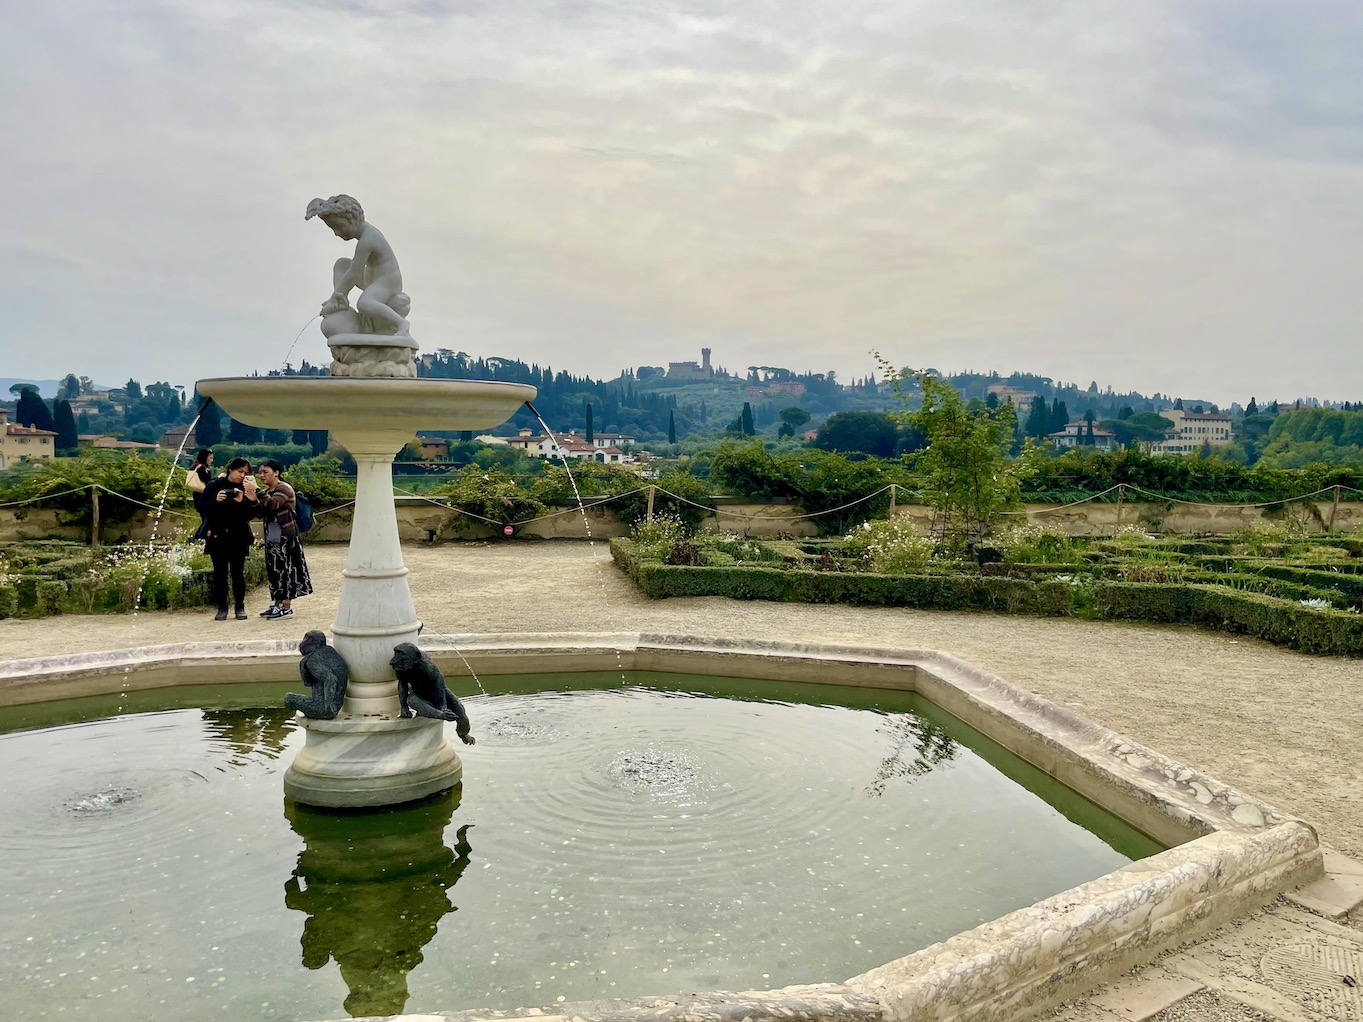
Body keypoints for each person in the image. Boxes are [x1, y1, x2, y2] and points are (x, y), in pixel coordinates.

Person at [305, 194, 410, 335]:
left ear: (351, 219)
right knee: (341, 264)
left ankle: (401, 323)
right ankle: (341, 302)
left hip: (387, 282)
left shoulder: (367, 240)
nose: (337, 233)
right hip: (372, 277)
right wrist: (320, 205)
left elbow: (354, 274)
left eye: (339, 227)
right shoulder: (364, 235)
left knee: (364, 304)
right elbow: (351, 271)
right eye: (333, 229)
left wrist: (336, 294)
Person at [198, 458, 259, 620]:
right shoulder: (214, 485)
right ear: (230, 469)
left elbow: (251, 514)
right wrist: (215, 500)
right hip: (218, 536)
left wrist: (242, 501)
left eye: (246, 473)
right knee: (220, 573)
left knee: (238, 573)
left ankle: (240, 606)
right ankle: (222, 607)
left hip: (238, 536)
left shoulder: (245, 488)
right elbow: (202, 507)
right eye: (240, 471)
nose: (242, 476)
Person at [255, 459, 314, 620]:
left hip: (286, 538)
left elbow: (273, 505)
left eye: (265, 472)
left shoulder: (283, 488)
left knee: (287, 569)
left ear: (276, 473)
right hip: (273, 537)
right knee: (274, 569)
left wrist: (257, 491)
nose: (261, 475)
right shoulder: (268, 490)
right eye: (259, 472)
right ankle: (277, 603)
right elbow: (260, 512)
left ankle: (286, 606)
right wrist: (252, 498)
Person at [184, 448, 214, 542]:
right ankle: (196, 538)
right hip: (202, 497)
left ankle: (203, 537)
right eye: (210, 458)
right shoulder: (201, 468)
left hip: (199, 496)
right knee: (208, 519)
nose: (211, 460)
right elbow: (208, 482)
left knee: (207, 519)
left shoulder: (198, 466)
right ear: (205, 458)